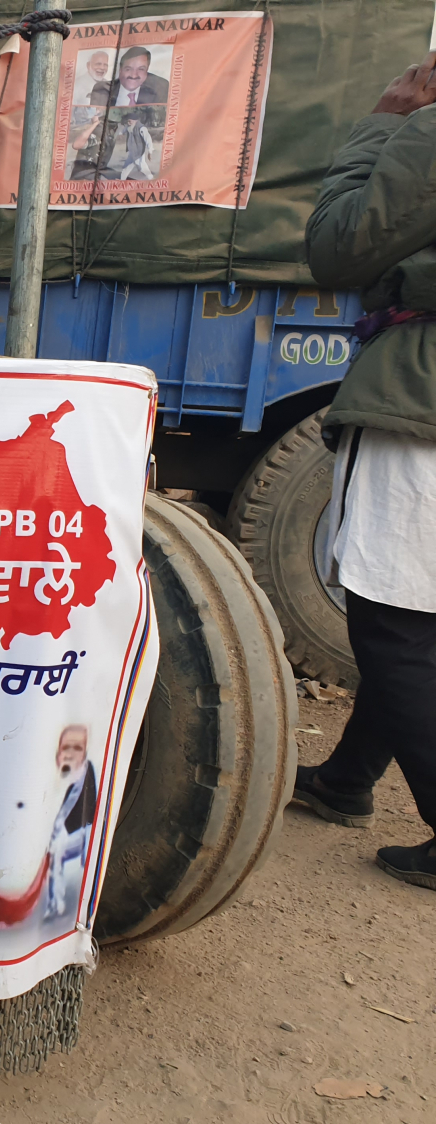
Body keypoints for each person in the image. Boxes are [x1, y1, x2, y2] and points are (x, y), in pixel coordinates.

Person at [295, 50, 436, 890]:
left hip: (420, 399)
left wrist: (385, 123)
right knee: (416, 614)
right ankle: (347, 779)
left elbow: (337, 248)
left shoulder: (427, 128)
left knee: (392, 622)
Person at [43, 725, 97, 920]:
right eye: (66, 748)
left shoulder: (84, 772)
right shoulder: (57, 774)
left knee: (61, 848)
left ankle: (64, 903)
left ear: (84, 753)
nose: (71, 753)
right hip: (62, 833)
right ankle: (55, 903)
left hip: (82, 832)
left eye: (77, 748)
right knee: (54, 849)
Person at [89, 46, 168, 108]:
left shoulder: (160, 90)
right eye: (128, 69)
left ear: (147, 70)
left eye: (141, 69)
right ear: (120, 70)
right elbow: (95, 120)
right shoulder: (102, 90)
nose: (134, 75)